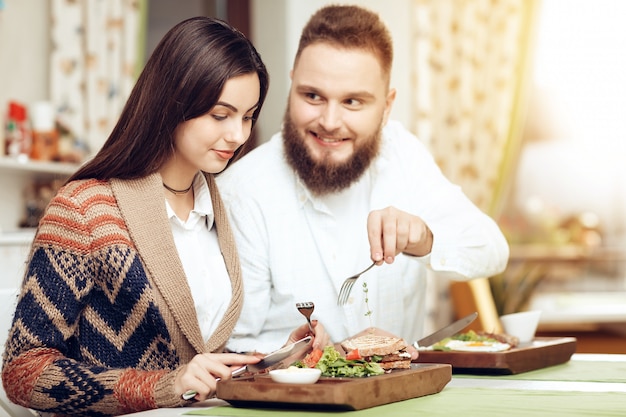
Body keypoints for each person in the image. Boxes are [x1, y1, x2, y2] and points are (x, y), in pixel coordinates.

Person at [1, 16, 327, 416]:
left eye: (247, 116)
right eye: (220, 115)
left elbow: (195, 360)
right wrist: (163, 386)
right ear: (172, 102)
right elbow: (23, 370)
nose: (239, 135)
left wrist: (275, 359)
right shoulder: (85, 209)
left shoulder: (212, 202)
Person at [216, 4, 510, 354]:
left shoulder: (401, 153)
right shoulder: (242, 193)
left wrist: (423, 236)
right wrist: (319, 357)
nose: (329, 121)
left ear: (386, 108)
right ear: (292, 82)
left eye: (353, 101)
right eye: (312, 96)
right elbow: (231, 348)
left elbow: (491, 249)